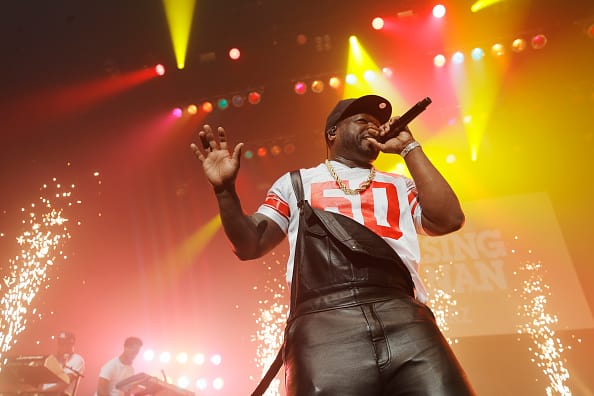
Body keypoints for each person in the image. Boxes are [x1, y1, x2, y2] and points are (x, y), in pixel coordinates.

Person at [190, 94, 476, 395]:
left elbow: (449, 219)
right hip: (324, 324)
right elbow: (251, 244)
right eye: (362, 121)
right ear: (333, 133)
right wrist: (224, 191)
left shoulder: (400, 184)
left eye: (377, 123)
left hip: (404, 316)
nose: (373, 127)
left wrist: (409, 147)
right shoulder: (296, 182)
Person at [40, 331, 85, 396]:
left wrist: (41, 391)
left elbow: (65, 382)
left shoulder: (77, 359)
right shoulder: (51, 359)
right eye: (60, 343)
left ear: (71, 344)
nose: (62, 346)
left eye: (65, 343)